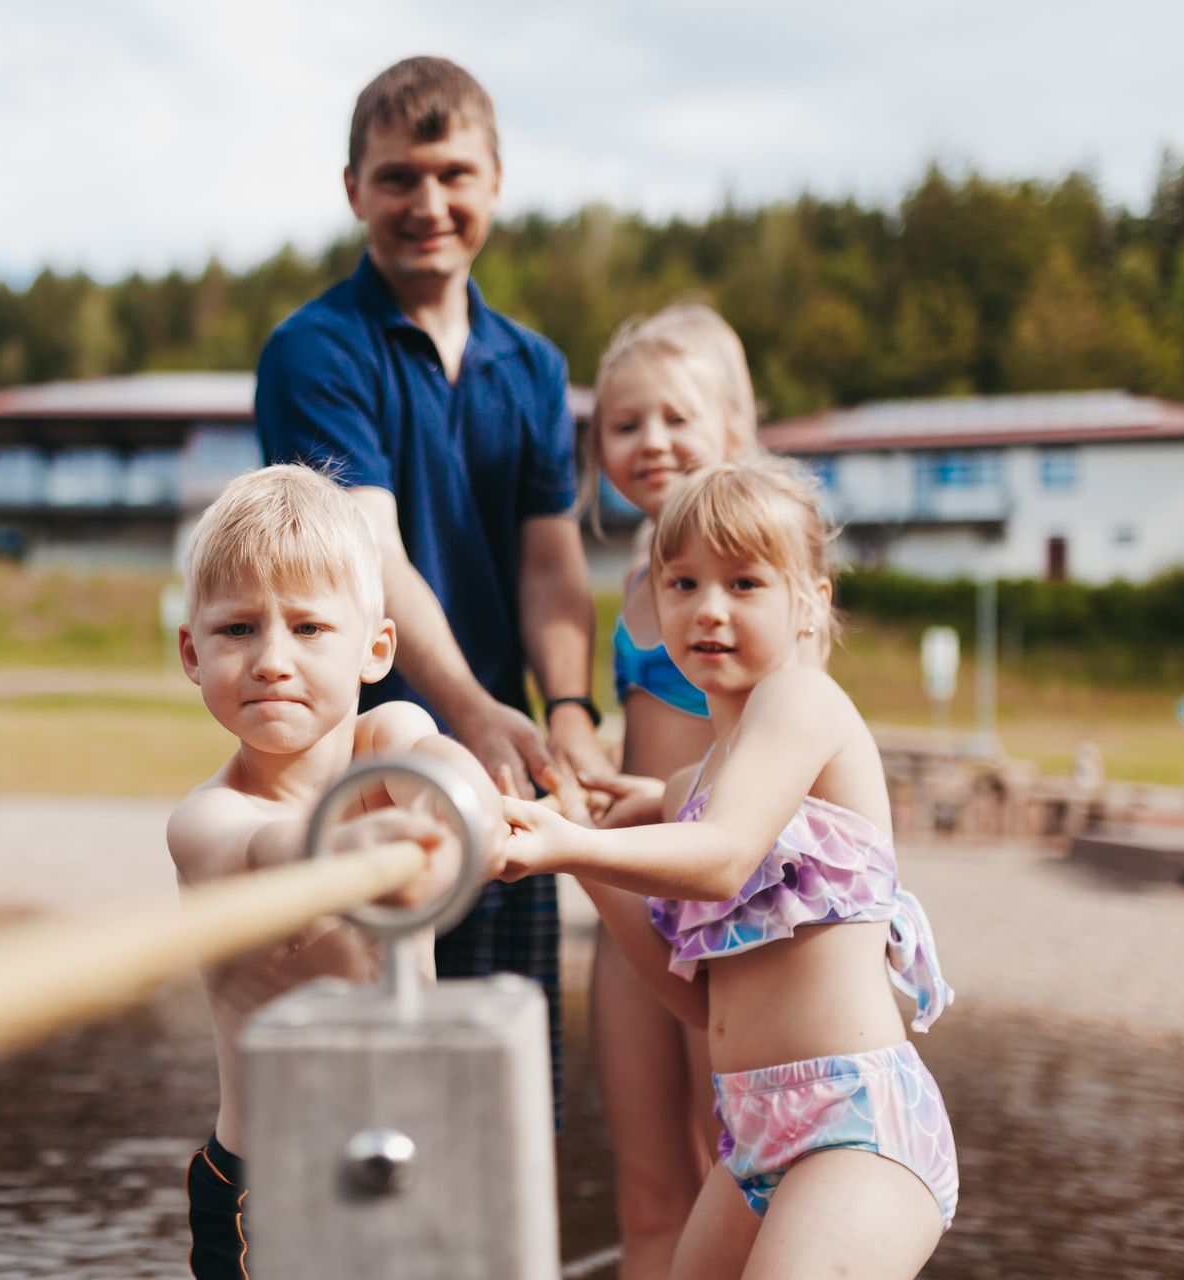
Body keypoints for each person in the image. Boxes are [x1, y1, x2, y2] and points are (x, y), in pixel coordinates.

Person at [254, 55, 608, 1123]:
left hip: (500, 752)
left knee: (508, 1084)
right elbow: (374, 553)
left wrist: (574, 714)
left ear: (495, 181)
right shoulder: (313, 349)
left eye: (454, 174)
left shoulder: (536, 366)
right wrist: (467, 708)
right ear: (354, 187)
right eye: (399, 176)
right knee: (373, 1099)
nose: (429, 203)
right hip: (361, 758)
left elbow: (550, 561)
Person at [501, 456, 958, 1279]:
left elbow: (721, 858)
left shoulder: (803, 702)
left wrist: (566, 842)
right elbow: (691, 996)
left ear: (811, 604)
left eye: (744, 584)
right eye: (682, 585)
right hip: (751, 1133)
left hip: (854, 1123)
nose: (708, 609)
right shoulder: (692, 786)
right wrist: (588, 861)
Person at [167, 463, 502, 1280]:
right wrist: (348, 856)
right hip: (274, 1187)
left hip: (418, 1152)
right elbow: (271, 855)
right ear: (191, 651)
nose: (271, 659)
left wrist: (464, 815)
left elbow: (452, 776)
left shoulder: (389, 739)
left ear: (375, 648)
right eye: (238, 629)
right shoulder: (208, 819)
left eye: (309, 629)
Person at [573, 303, 761, 1278]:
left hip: (729, 899)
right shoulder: (636, 576)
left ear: (732, 427)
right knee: (649, 1183)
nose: (651, 441)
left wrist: (641, 801)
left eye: (676, 418)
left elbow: (781, 744)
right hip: (633, 883)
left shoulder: (758, 576)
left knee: (741, 1176)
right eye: (625, 423)